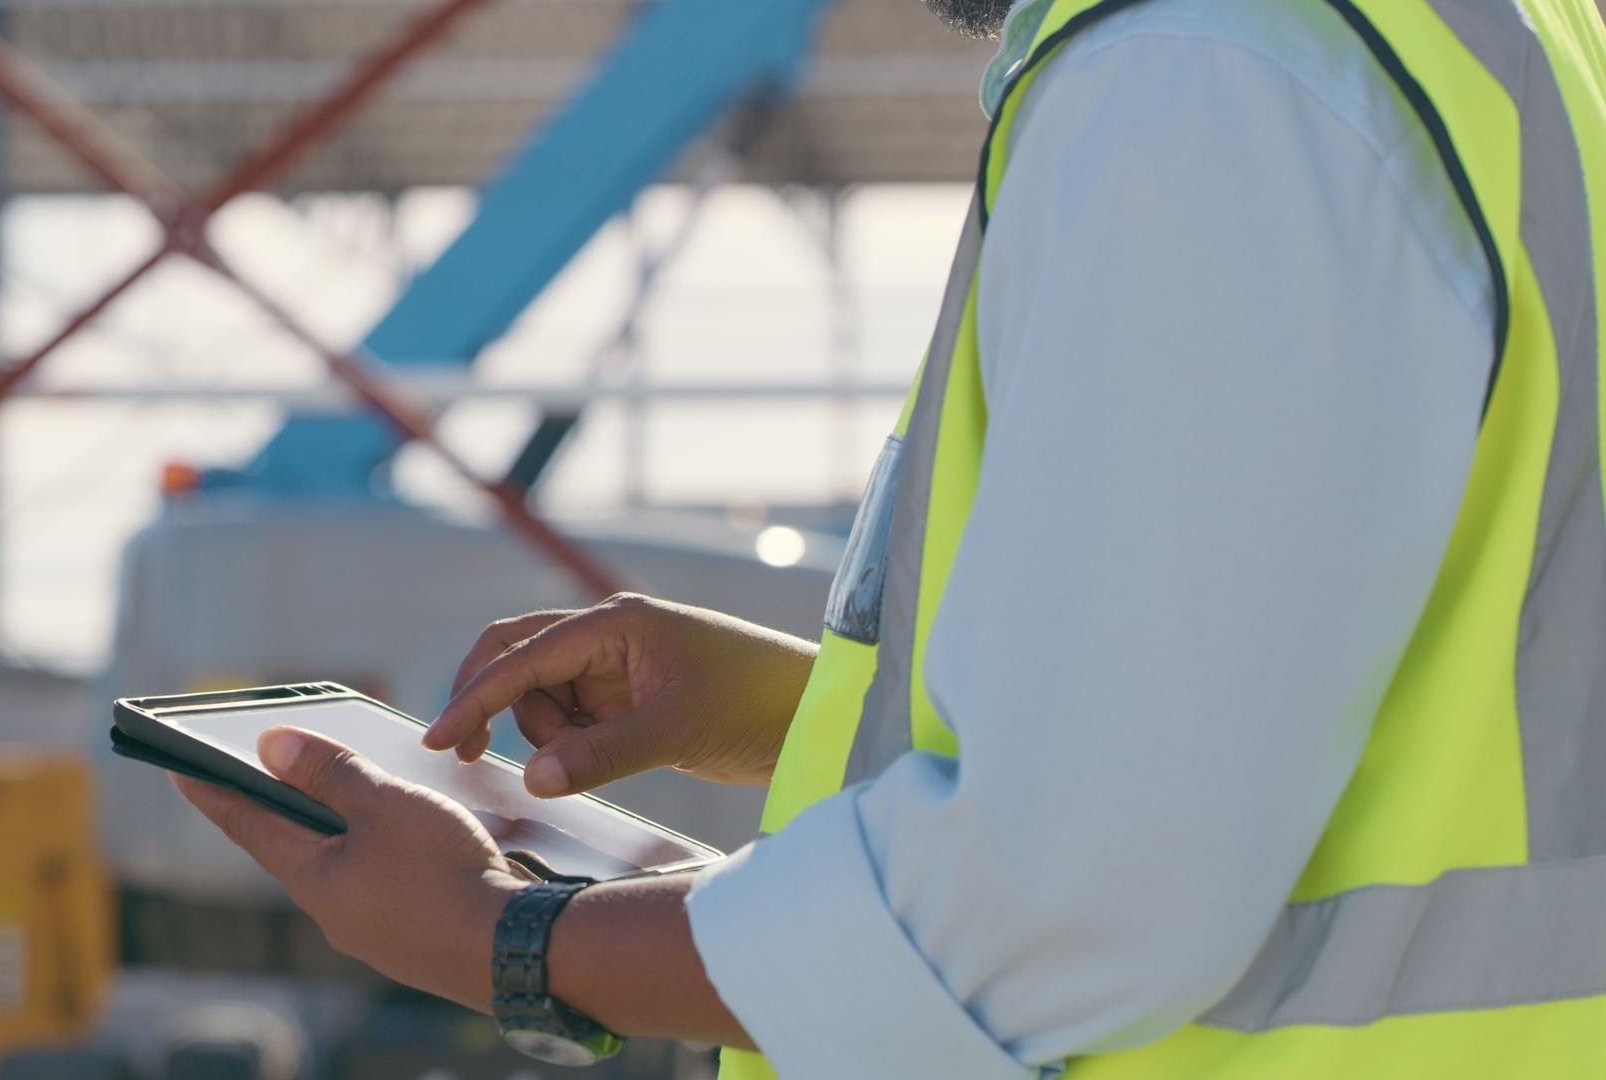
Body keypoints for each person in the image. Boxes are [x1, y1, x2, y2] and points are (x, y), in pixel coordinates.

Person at [173, 0, 1606, 1075]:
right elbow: (1372, 702)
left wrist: (505, 936)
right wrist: (786, 710)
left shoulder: (1205, 80)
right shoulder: (1481, 43)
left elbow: (1055, 910)